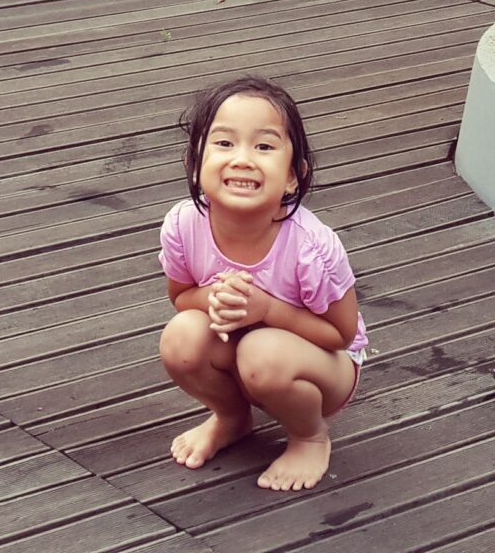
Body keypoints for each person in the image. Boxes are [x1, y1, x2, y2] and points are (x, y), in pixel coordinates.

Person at [156, 76, 367, 494]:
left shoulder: (310, 247)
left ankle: (309, 437)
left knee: (262, 351)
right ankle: (232, 419)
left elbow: (341, 335)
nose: (242, 159)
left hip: (325, 368)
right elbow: (181, 298)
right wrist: (214, 297)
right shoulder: (183, 225)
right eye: (224, 143)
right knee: (181, 338)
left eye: (264, 147)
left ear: (293, 177)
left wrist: (266, 309)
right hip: (242, 352)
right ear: (194, 164)